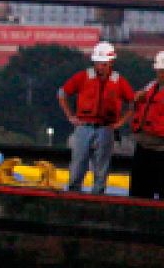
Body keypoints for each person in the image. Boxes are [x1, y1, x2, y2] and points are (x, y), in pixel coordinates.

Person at [58, 41, 134, 194]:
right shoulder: (83, 77)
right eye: (98, 64)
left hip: (106, 128)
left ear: (111, 63)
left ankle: (98, 196)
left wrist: (120, 123)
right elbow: (62, 93)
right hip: (84, 126)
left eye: (104, 64)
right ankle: (73, 193)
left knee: (101, 166)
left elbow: (132, 103)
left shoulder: (118, 81)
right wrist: (70, 116)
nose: (101, 67)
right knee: (78, 163)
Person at [129, 52, 164, 200]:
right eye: (159, 70)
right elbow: (137, 103)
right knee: (139, 192)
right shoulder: (151, 86)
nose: (160, 73)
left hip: (161, 149)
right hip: (143, 146)